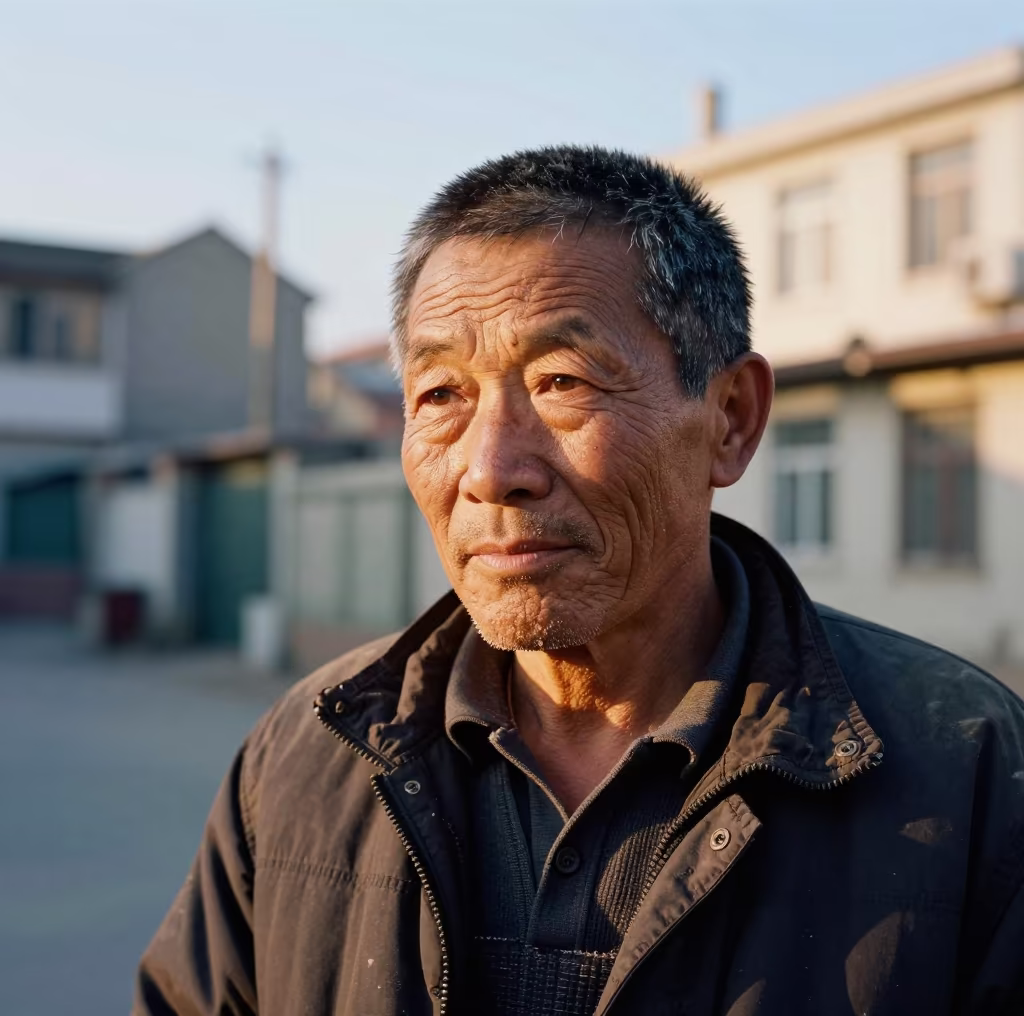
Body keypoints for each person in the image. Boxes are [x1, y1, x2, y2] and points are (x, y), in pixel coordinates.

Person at [135, 146, 1024, 1016]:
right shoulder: (305, 756)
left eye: (562, 380)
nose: (490, 469)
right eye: (441, 395)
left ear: (731, 419)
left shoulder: (968, 769)